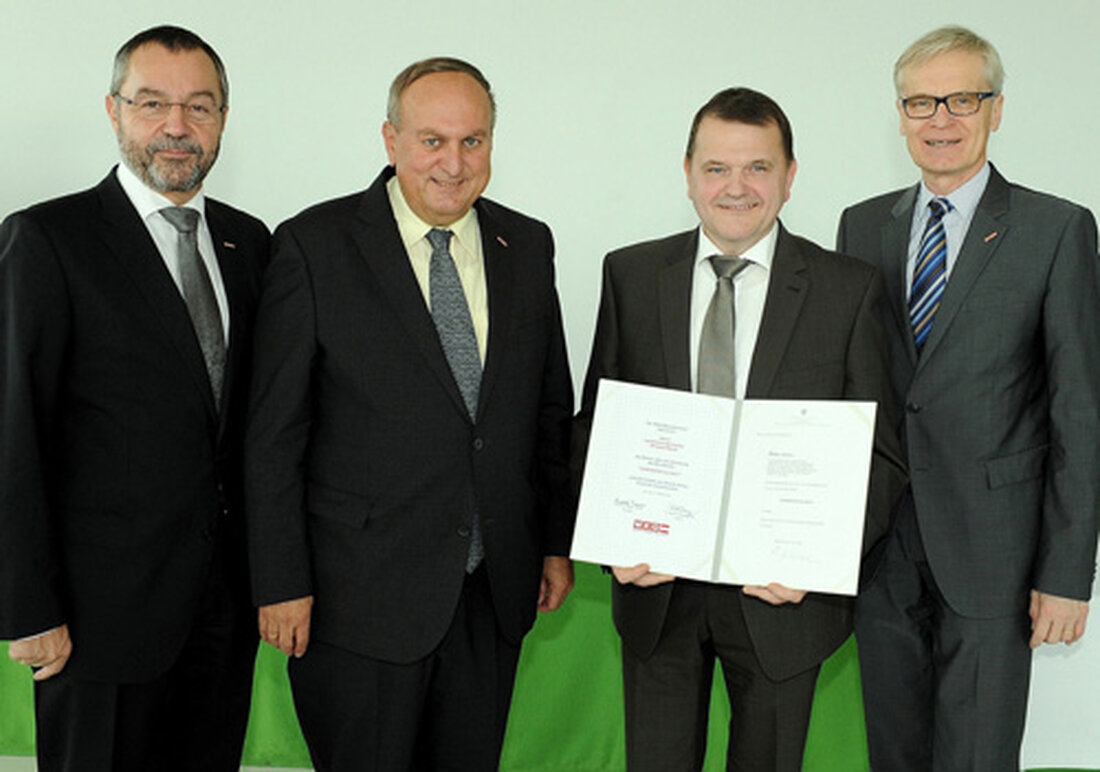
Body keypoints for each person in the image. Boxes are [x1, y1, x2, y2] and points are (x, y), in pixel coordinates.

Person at [244, 57, 575, 771]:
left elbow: (548, 409)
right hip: (356, 603)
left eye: (473, 141)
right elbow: (274, 434)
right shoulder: (313, 246)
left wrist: (551, 541)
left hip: (492, 592)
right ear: (390, 141)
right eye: (432, 141)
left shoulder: (529, 245)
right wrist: (279, 581)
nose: (453, 163)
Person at [573, 87, 906, 771]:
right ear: (689, 174)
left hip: (784, 605)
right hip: (656, 589)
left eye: (757, 167)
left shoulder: (848, 289)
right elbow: (597, 428)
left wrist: (817, 559)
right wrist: (615, 544)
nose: (736, 187)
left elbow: (881, 454)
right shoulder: (632, 275)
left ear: (789, 177)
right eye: (717, 168)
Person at [0, 25, 267, 772]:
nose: (177, 126)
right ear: (113, 111)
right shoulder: (48, 240)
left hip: (221, 618)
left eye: (199, 106)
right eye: (153, 103)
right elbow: (13, 432)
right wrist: (28, 610)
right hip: (94, 624)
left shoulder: (253, 246)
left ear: (222, 119)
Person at [836, 25, 1100, 771]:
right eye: (920, 102)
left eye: (961, 99)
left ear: (997, 109)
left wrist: (1065, 572)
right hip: (883, 550)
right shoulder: (862, 226)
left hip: (996, 551)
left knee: (978, 755)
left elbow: (1081, 410)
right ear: (899, 115)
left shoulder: (1056, 230)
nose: (940, 119)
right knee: (894, 752)